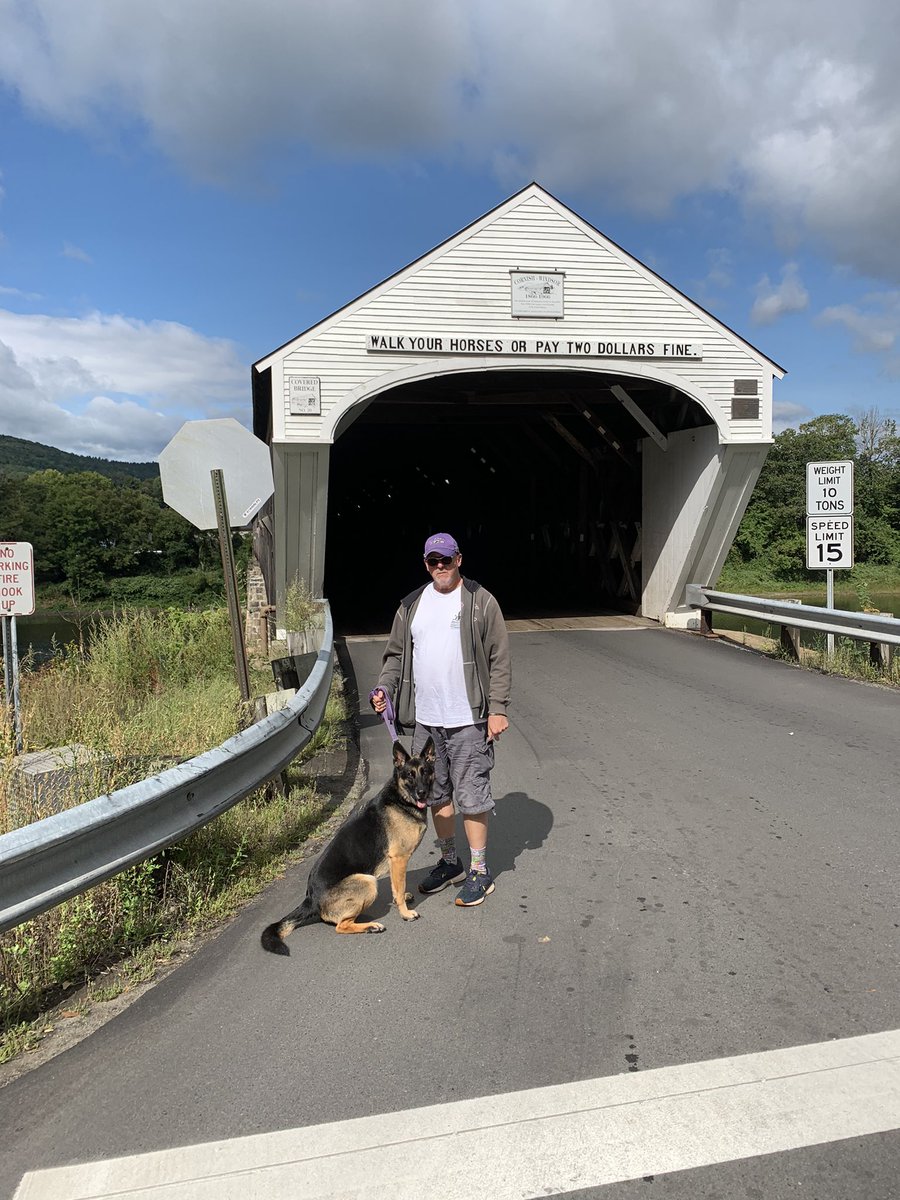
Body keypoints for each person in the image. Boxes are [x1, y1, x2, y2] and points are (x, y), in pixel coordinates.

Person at [370, 532, 511, 907]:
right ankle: (451, 862)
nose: (440, 567)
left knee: (472, 794)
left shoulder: (480, 601)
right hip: (426, 722)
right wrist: (385, 688)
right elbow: (395, 656)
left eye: (446, 560)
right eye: (433, 561)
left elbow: (499, 656)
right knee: (435, 794)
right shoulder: (411, 605)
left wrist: (497, 709)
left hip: (467, 719)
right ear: (426, 564)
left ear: (459, 560)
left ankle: (480, 871)